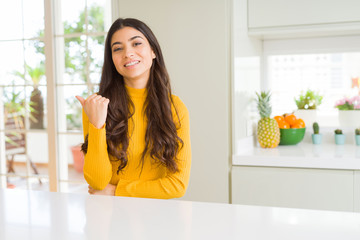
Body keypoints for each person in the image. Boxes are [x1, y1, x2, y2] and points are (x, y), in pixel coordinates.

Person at [75, 18, 191, 199]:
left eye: (136, 43)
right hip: (109, 217)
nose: (128, 53)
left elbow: (177, 185)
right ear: (112, 59)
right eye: (118, 48)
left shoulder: (175, 107)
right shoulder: (97, 106)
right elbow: (97, 183)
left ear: (153, 51)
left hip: (159, 216)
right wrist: (97, 125)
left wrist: (116, 190)